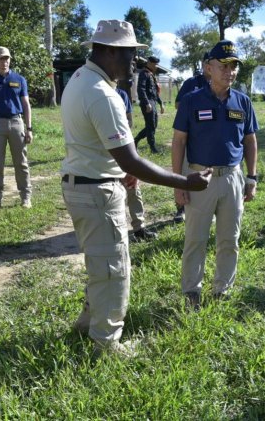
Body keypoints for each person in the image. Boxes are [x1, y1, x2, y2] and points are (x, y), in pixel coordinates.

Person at [61, 19, 211, 357]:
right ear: (111, 52)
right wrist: (184, 181)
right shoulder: (102, 94)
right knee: (114, 268)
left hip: (84, 183)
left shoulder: (79, 79)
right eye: (130, 55)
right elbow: (130, 159)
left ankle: (88, 323)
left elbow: (113, 153)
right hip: (97, 192)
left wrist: (121, 168)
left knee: (99, 262)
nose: (134, 63)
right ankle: (106, 344)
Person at [172, 40, 258, 309]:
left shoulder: (242, 101)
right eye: (223, 66)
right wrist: (178, 182)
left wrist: (251, 177)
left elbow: (250, 141)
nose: (229, 72)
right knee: (195, 238)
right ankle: (191, 291)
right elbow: (178, 142)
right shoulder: (191, 101)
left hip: (233, 177)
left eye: (234, 67)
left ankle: (222, 289)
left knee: (229, 239)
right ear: (209, 68)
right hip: (199, 178)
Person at [0, 47, 33, 211]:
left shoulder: (19, 79)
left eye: (7, 58)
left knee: (21, 162)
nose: (5, 61)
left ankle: (26, 197)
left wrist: (29, 128)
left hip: (17, 123)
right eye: (1, 58)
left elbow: (25, 104)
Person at [173, 53, 212, 223]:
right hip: (189, 135)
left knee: (210, 172)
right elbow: (177, 103)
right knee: (183, 170)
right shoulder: (192, 83)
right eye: (207, 63)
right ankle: (180, 209)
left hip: (209, 138)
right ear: (204, 65)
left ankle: (211, 207)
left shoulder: (219, 84)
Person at [116, 84, 157, 241]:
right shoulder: (93, 91)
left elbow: (128, 121)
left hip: (122, 145)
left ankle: (139, 228)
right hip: (101, 151)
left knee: (133, 186)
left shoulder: (121, 94)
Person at [134, 55, 165, 153]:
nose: (156, 66)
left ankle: (135, 140)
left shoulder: (151, 74)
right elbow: (141, 89)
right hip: (147, 103)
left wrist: (161, 104)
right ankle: (153, 147)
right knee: (151, 125)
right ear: (150, 63)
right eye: (155, 64)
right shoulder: (144, 73)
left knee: (152, 125)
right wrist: (146, 103)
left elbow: (155, 92)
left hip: (153, 102)